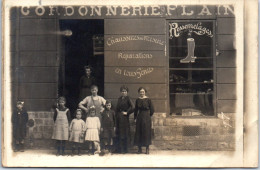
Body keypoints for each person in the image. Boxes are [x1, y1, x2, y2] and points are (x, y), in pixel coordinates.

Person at [134, 87, 154, 154]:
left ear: (145, 92)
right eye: (140, 92)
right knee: (139, 132)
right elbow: (136, 110)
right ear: (139, 92)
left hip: (146, 117)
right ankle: (139, 149)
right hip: (139, 117)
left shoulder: (148, 100)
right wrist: (135, 118)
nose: (142, 93)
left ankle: (147, 149)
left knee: (146, 132)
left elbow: (152, 110)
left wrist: (148, 116)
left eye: (143, 92)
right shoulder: (137, 100)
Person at [115, 85, 134, 153]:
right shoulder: (119, 99)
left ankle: (125, 149)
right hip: (119, 117)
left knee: (124, 133)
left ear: (127, 92)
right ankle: (119, 149)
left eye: (125, 91)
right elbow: (117, 108)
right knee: (119, 132)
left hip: (124, 118)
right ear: (121, 92)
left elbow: (133, 107)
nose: (123, 92)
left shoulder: (128, 98)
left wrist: (127, 112)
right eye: (122, 91)